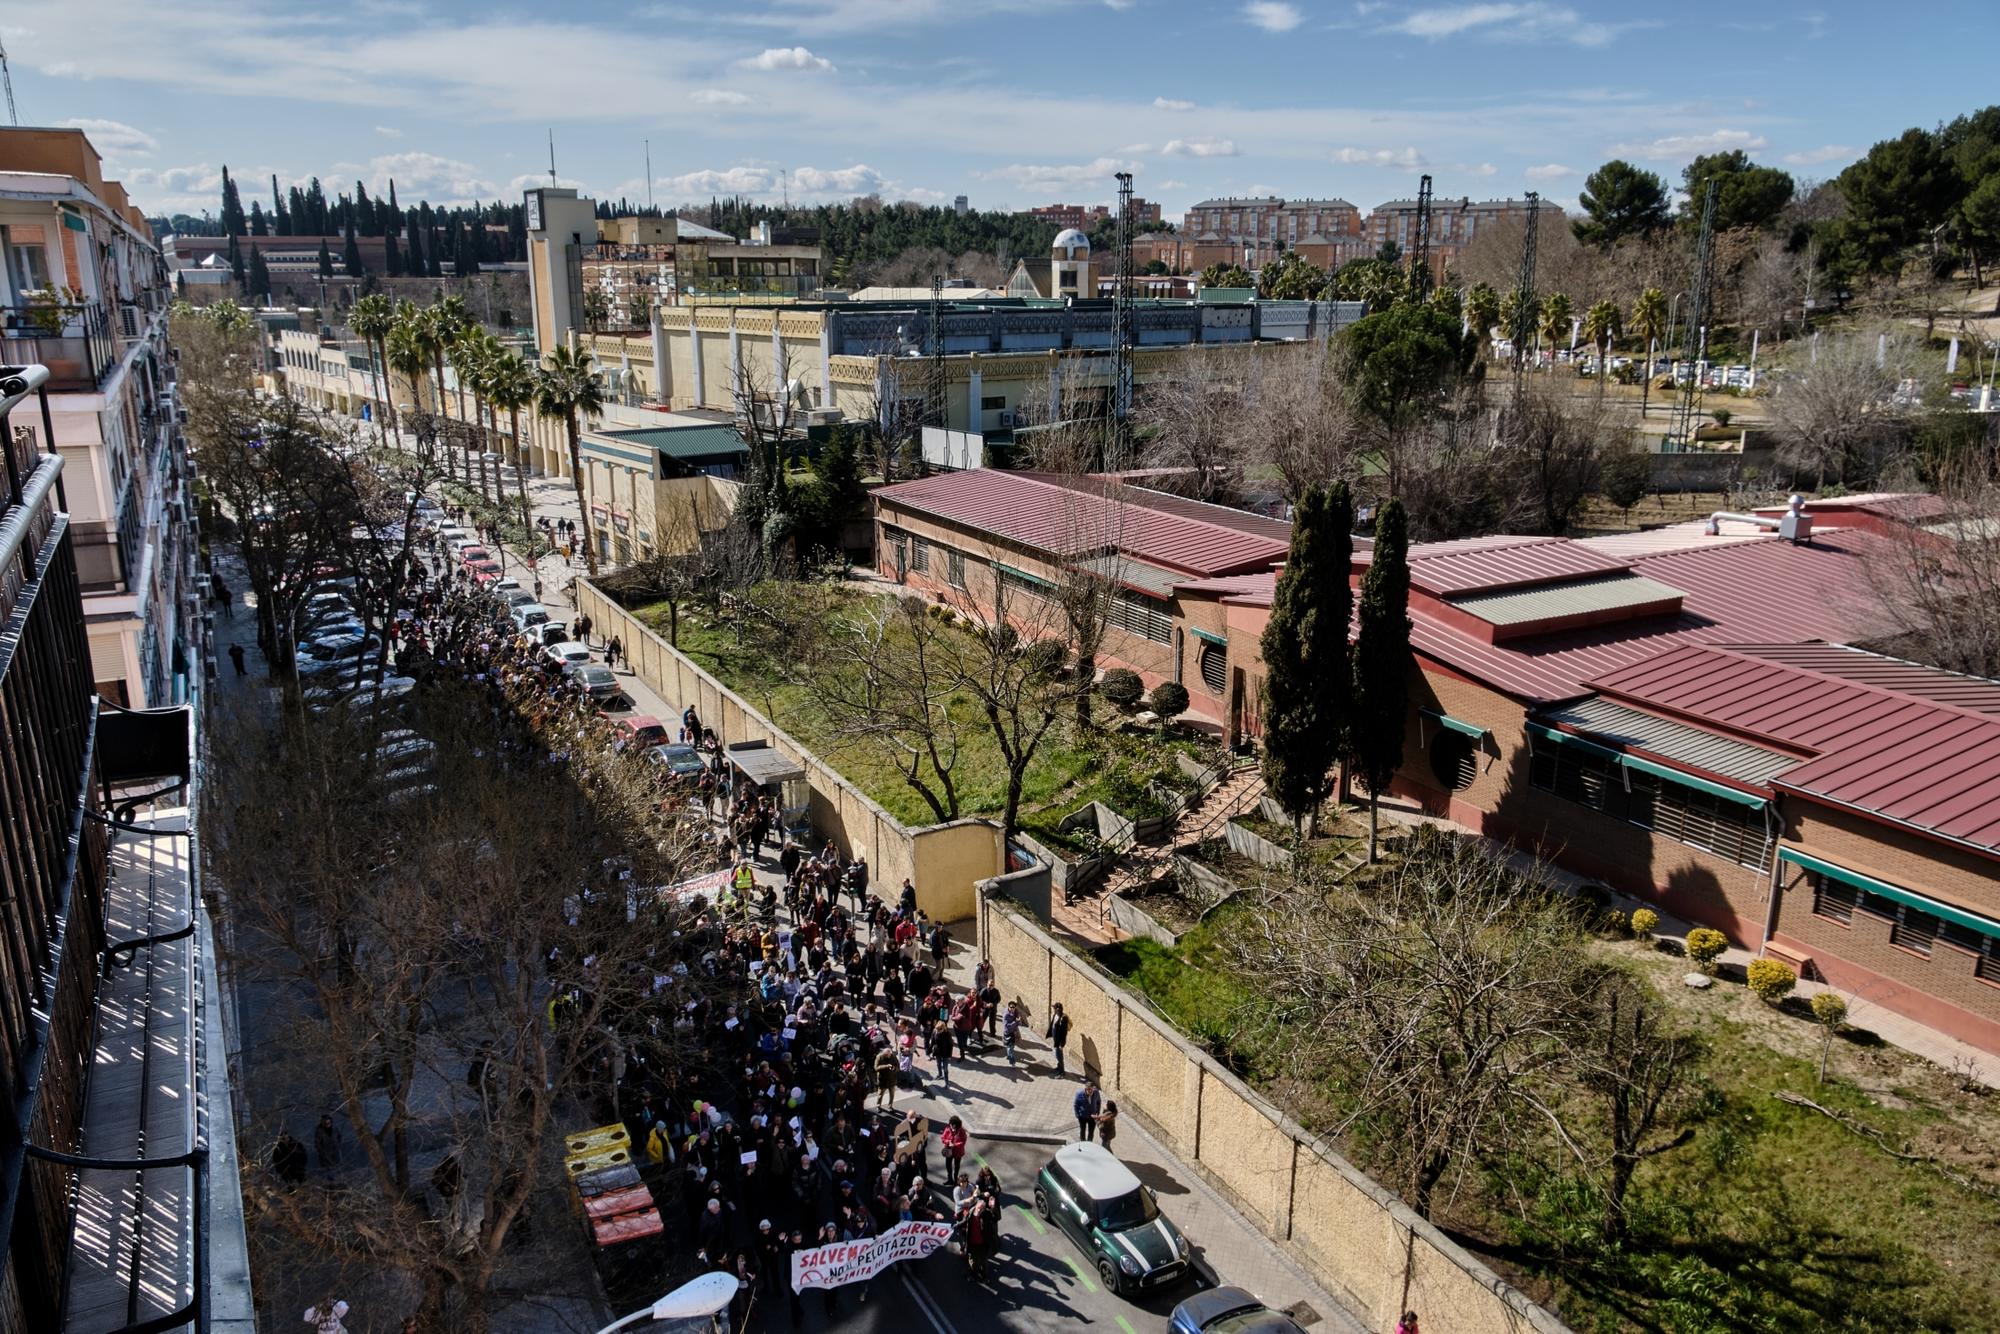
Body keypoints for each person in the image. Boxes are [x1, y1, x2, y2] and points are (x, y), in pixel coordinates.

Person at [940, 1115, 968, 1183]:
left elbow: (963, 1141)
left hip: (958, 1152)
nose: (952, 1127)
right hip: (949, 1151)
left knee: (956, 1166)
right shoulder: (948, 1128)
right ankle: (950, 1179)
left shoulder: (961, 1131)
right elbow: (943, 1138)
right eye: (951, 1125)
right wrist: (948, 1141)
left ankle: (956, 1179)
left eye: (953, 1126)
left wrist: (954, 1145)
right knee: (948, 1165)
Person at [1047, 1002, 1071, 1077]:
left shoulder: (1063, 1018)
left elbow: (1064, 1033)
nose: (1053, 1009)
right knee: (1057, 1055)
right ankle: (1058, 1067)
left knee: (1059, 1056)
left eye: (1054, 1008)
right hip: (1055, 1038)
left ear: (1058, 1009)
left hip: (1059, 1041)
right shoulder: (1055, 1015)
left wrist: (1062, 1044)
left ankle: (1062, 1072)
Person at [873, 1042, 899, 1109]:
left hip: (892, 1080)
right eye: (888, 1055)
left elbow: (898, 1066)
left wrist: (894, 1069)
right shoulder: (879, 1057)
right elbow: (876, 1068)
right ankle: (878, 1106)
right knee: (880, 1094)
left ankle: (890, 1106)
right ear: (885, 1054)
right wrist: (886, 1066)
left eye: (890, 1054)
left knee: (892, 1094)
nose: (890, 1056)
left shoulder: (893, 1056)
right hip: (883, 1080)